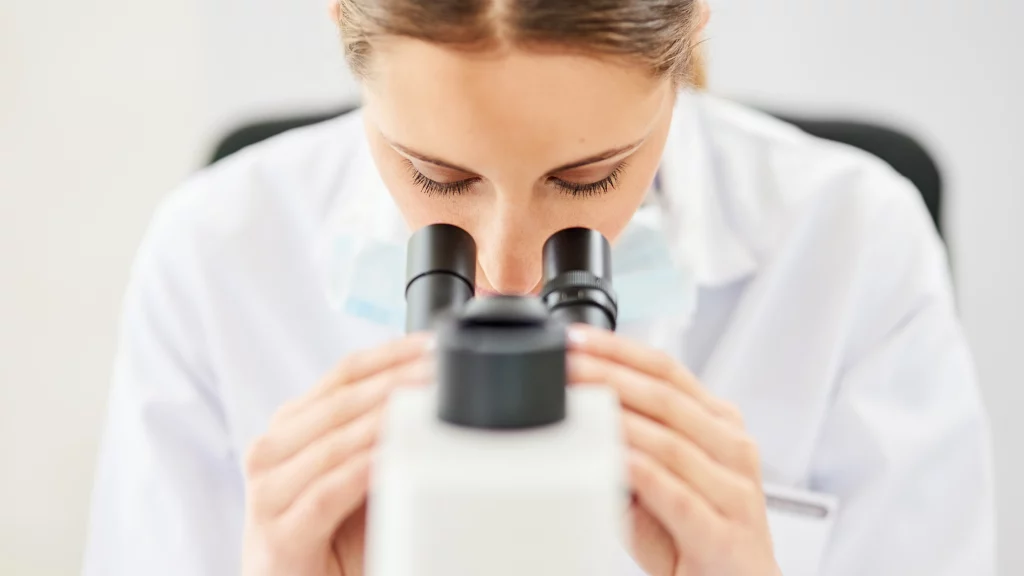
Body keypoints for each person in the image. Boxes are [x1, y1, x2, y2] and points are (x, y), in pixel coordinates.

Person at [81, 1, 994, 575]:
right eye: (437, 181)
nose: (508, 277)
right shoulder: (216, 252)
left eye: (589, 180)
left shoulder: (851, 242)